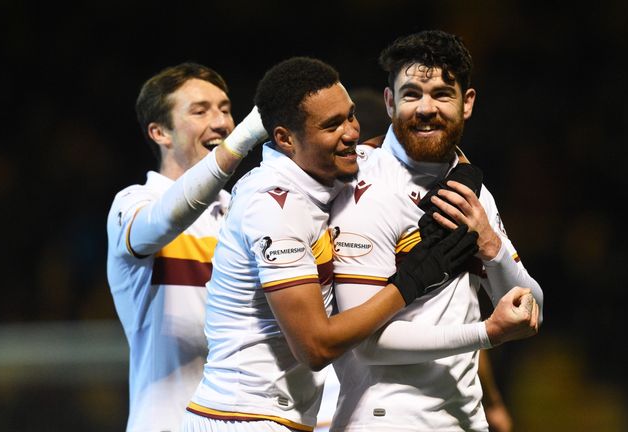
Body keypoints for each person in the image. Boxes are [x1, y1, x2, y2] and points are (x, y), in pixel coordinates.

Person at [182, 56, 480, 432]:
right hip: (242, 418)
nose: (351, 133)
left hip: (270, 417)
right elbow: (315, 348)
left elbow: (379, 150)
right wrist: (413, 280)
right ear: (285, 139)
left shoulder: (316, 175)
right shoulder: (276, 206)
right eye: (332, 125)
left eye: (350, 116)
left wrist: (461, 168)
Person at [328, 29, 544, 431]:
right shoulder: (362, 185)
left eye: (442, 94)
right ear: (390, 102)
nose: (426, 108)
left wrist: (492, 247)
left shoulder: (471, 190)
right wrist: (486, 333)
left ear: (467, 103)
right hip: (388, 420)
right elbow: (368, 344)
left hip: (464, 419)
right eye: (411, 94)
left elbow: (532, 307)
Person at [106, 62, 268, 432]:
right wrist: (241, 141)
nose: (222, 122)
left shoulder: (246, 210)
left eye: (226, 109)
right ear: (159, 132)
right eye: (200, 110)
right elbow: (165, 220)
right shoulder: (135, 203)